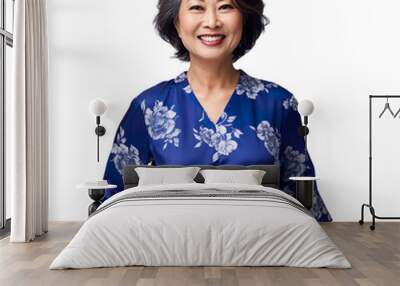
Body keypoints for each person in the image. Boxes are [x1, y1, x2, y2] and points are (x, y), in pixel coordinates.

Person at [103, 0, 332, 221]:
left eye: (225, 7)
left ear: (244, 17)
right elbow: (113, 199)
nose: (212, 21)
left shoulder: (278, 103)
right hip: (173, 244)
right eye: (197, 7)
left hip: (263, 245)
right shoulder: (148, 105)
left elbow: (304, 199)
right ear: (176, 23)